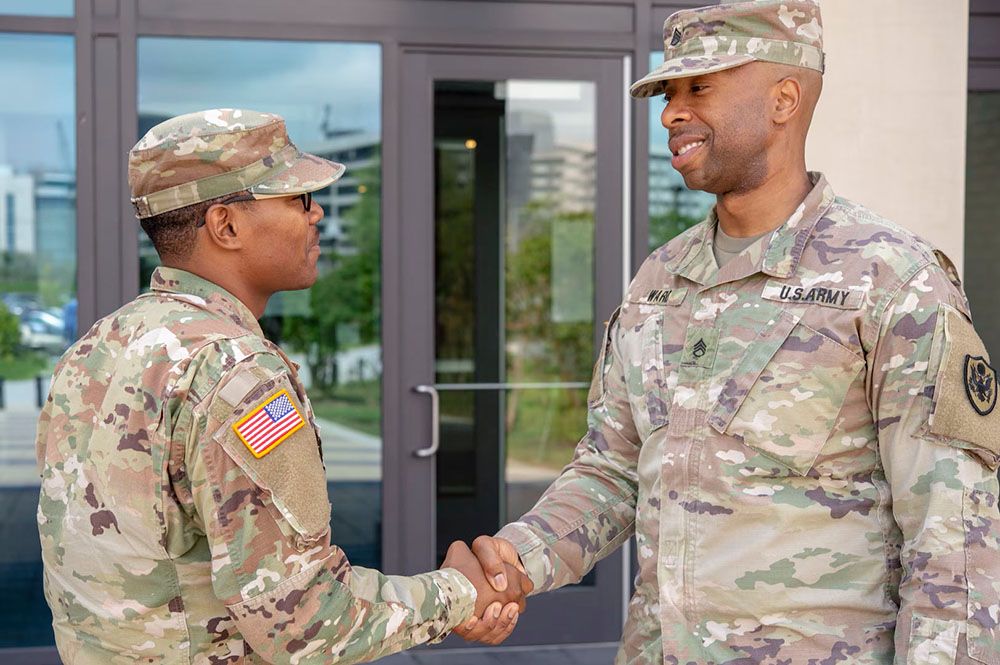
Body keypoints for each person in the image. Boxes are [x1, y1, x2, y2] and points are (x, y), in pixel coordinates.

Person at [458, 0, 1000, 661]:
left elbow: (955, 542)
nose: (671, 113)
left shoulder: (892, 279)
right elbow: (613, 471)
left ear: (784, 99)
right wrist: (515, 560)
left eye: (699, 87)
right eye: (669, 94)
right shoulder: (659, 279)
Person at [35, 108, 530, 664]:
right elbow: (303, 622)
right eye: (297, 198)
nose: (317, 213)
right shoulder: (235, 373)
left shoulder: (99, 346)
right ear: (226, 225)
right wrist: (460, 592)